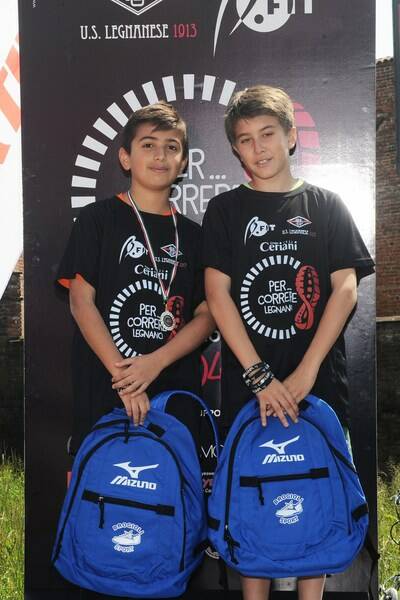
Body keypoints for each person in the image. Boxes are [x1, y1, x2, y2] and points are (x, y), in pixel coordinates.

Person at [202, 85, 375, 600]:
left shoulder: (327, 204)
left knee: (314, 495)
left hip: (317, 384)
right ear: (235, 149)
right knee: (253, 498)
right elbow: (217, 294)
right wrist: (259, 377)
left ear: (291, 136)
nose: (259, 148)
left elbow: (346, 288)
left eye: (268, 134)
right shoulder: (225, 210)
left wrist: (305, 373)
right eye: (246, 139)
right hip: (249, 386)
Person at [57, 101, 215, 454]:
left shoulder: (195, 236)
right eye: (148, 145)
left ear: (183, 163)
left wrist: (155, 363)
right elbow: (81, 301)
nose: (160, 155)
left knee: (172, 484)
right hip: (107, 387)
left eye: (171, 147)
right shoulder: (97, 219)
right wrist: (126, 380)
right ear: (125, 158)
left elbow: (207, 315)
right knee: (104, 484)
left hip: (173, 392)